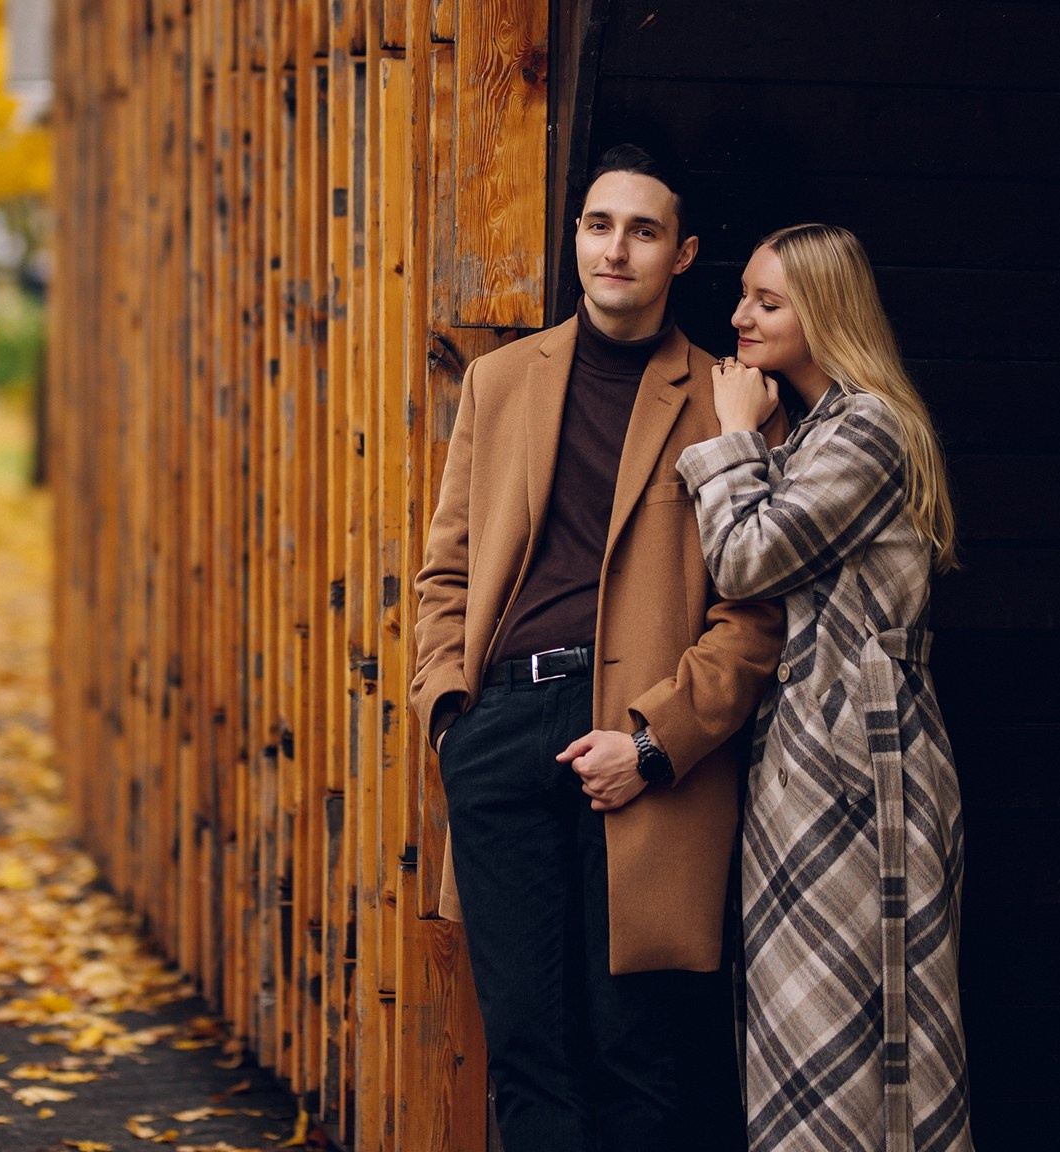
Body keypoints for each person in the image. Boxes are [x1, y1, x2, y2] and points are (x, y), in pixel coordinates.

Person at [411, 144, 786, 1152]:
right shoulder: (500, 382)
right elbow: (445, 568)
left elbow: (755, 617)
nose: (615, 248)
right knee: (528, 1052)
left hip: (638, 747)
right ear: (577, 236)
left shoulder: (727, 398)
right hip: (499, 735)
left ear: (682, 253)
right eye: (598, 224)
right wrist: (451, 711)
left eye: (643, 230)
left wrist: (654, 742)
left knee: (638, 1057)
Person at [677, 223, 973, 1152]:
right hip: (809, 761)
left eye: (769, 301)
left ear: (827, 311)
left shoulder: (870, 428)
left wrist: (730, 436)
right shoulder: (818, 430)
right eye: (744, 296)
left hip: (861, 766)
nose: (739, 317)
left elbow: (746, 557)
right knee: (804, 1032)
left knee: (856, 1034)